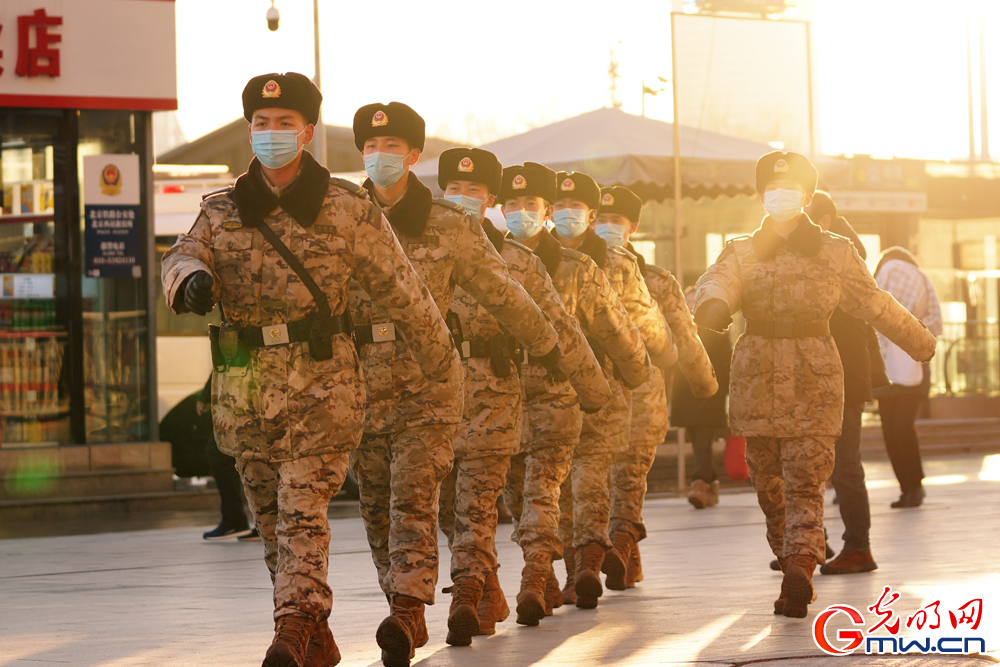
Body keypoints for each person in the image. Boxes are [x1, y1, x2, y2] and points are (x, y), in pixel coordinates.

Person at [161, 73, 462, 667]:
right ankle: (316, 634)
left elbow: (405, 292)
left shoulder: (347, 209)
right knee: (271, 520)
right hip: (245, 395)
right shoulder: (221, 211)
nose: (271, 134)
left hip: (323, 390)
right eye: (261, 124)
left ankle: (293, 628)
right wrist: (189, 280)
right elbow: (182, 251)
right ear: (251, 130)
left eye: (283, 124)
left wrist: (444, 371)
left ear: (307, 132)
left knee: (303, 509)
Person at [347, 104, 560, 667]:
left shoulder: (451, 225)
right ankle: (423, 594)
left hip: (429, 389)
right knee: (376, 510)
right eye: (372, 144)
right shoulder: (340, 217)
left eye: (393, 144)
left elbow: (504, 293)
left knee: (417, 502)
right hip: (359, 391)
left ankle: (411, 610)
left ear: (413, 155)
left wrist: (548, 346)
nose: (380, 154)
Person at [693, 151, 937, 619]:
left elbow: (874, 303)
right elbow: (716, 281)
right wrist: (713, 306)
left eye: (789, 188)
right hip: (756, 380)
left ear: (806, 196)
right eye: (770, 188)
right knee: (770, 487)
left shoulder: (835, 250)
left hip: (814, 379)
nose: (779, 195)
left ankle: (801, 566)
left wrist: (919, 341)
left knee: (806, 481)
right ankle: (794, 565)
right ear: (762, 195)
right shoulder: (741, 249)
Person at [433, 148, 605, 646]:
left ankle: (527, 577)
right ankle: (495, 584)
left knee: (532, 494)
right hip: (458, 398)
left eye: (528, 201)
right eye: (454, 189)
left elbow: (566, 330)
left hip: (542, 396)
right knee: (463, 504)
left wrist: (596, 391)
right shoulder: (431, 252)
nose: (464, 199)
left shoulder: (527, 264)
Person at [548, 171, 672, 610]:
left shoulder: (642, 273)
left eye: (616, 218)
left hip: (629, 389)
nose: (607, 225)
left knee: (621, 474)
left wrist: (684, 371)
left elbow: (659, 336)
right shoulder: (544, 261)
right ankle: (603, 556)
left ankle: (612, 548)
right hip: (562, 389)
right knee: (573, 481)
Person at [594, 185, 718, 589]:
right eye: (601, 219)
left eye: (617, 221)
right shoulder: (577, 272)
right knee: (594, 482)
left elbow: (684, 336)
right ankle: (620, 557)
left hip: (643, 395)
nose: (608, 227)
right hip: (592, 394)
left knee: (629, 476)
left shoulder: (656, 281)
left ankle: (621, 541)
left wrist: (705, 385)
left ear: (632, 227)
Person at [806, 191, 889, 573]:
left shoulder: (838, 262)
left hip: (841, 377)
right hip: (823, 374)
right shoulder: (826, 257)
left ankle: (858, 546)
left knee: (844, 466)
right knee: (811, 466)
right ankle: (812, 542)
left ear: (822, 220)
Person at [873, 246, 943, 509]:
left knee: (895, 430)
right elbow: (935, 322)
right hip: (908, 364)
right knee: (897, 430)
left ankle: (913, 486)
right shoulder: (921, 277)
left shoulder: (887, 273)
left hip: (890, 367)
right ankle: (909, 488)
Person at [671, 287, 733, 510]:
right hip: (685, 396)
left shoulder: (715, 330)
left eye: (695, 302)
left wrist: (727, 394)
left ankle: (699, 484)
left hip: (710, 395)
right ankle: (711, 484)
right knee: (697, 441)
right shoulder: (678, 329)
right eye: (688, 302)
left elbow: (726, 364)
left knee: (703, 442)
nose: (691, 306)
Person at [195, 374, 258, 541]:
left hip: (244, 393)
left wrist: (207, 393)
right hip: (250, 390)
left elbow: (225, 350)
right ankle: (266, 525)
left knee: (219, 452)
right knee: (259, 455)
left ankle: (237, 520)